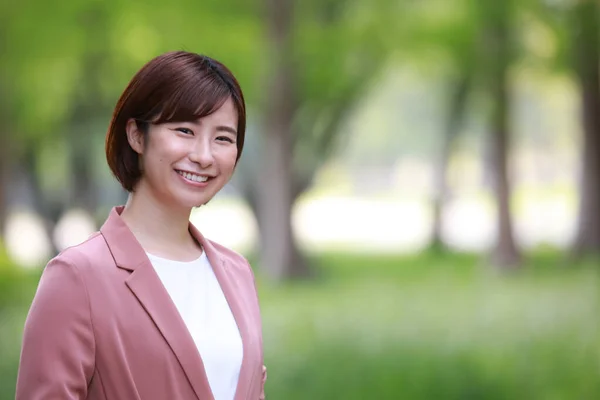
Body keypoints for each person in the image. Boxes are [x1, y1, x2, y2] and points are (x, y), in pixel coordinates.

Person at [16, 51, 266, 400]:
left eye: (223, 138)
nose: (204, 155)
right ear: (136, 135)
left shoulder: (237, 272)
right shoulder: (77, 278)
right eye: (185, 130)